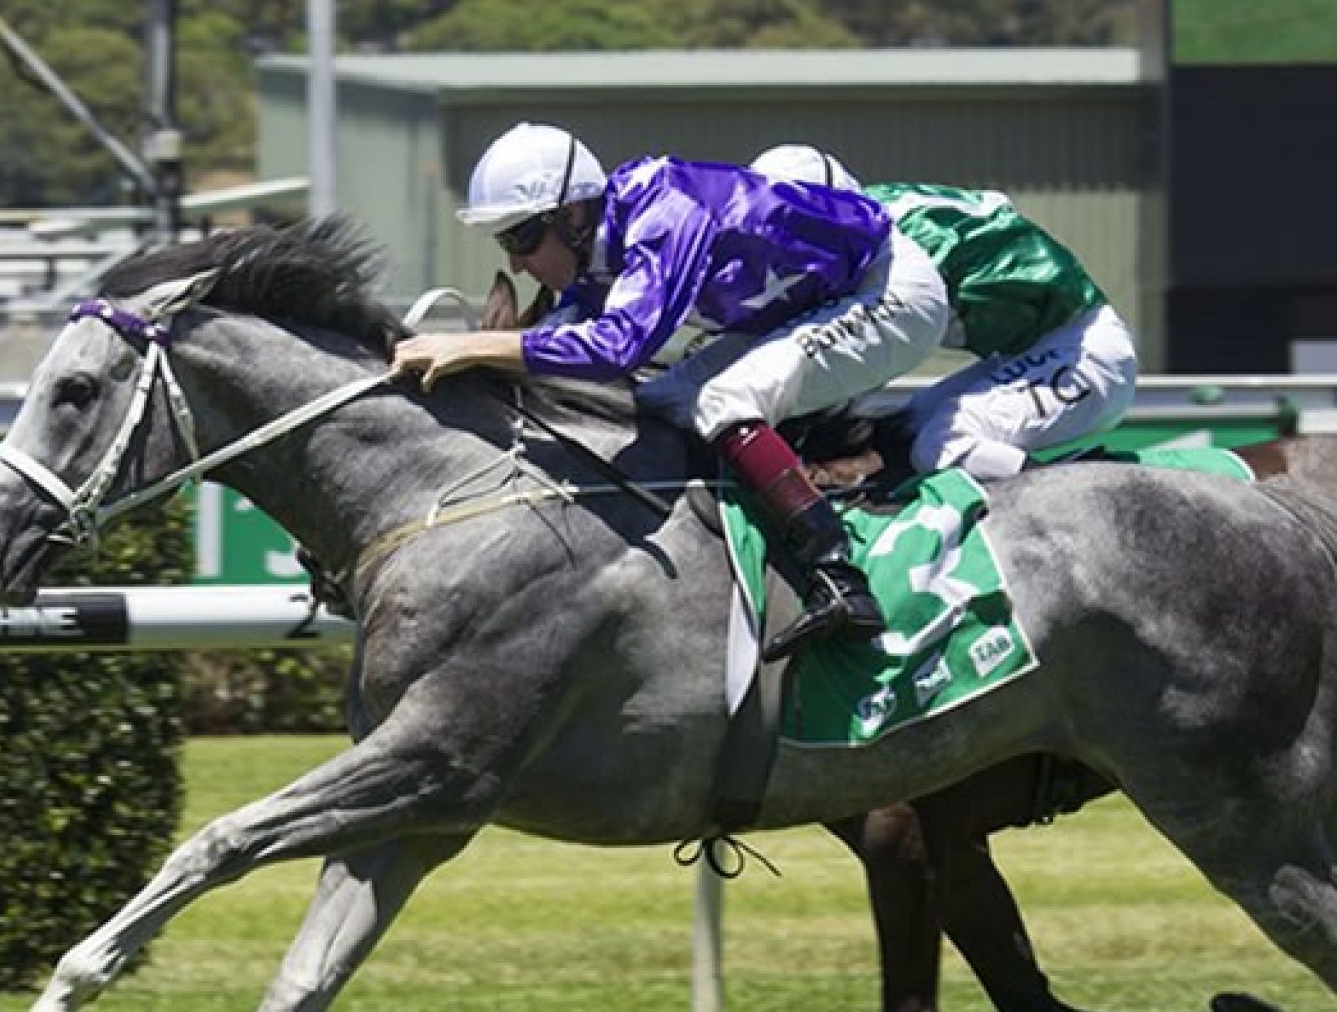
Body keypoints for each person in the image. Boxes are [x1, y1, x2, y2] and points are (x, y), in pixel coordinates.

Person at [392, 123, 950, 660]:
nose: (515, 261)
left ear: (571, 215)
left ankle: (837, 574)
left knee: (725, 402)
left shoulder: (666, 212)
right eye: (506, 240)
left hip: (887, 290)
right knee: (659, 402)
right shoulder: (599, 241)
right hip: (810, 304)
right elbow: (557, 343)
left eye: (522, 236)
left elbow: (617, 347)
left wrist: (469, 348)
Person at [750, 145, 1137, 481]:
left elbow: (850, 360)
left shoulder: (897, 251)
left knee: (941, 443)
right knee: (899, 433)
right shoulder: (884, 214)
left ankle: (1090, 500)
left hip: (1086, 355)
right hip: (1036, 350)